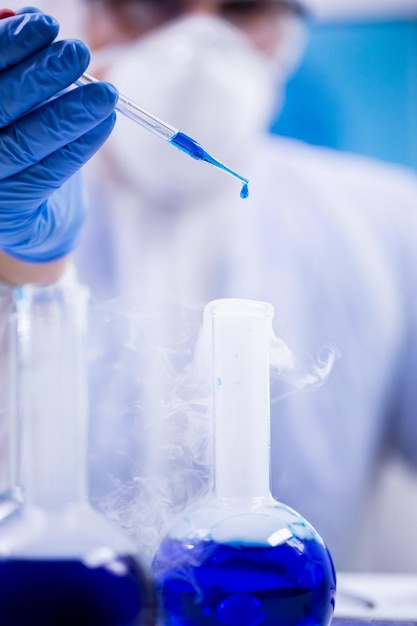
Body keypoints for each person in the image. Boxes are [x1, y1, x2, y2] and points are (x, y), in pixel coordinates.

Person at [1, 1, 417, 574]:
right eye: (152, 4)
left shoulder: (394, 224)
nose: (198, 41)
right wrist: (17, 270)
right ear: (90, 19)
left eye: (242, 8)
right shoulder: (14, 201)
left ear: (286, 33)